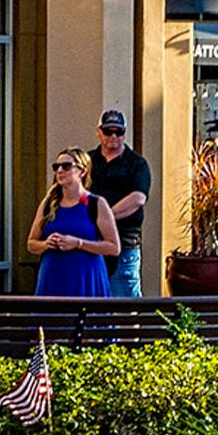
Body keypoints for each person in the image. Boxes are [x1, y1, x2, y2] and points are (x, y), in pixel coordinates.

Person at [27, 151, 119, 298]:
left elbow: (114, 248)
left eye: (66, 166)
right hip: (53, 277)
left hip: (86, 278)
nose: (60, 171)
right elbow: (31, 244)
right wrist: (46, 244)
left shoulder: (96, 204)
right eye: (56, 167)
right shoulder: (48, 204)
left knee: (89, 319)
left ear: (82, 171)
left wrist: (78, 243)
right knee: (50, 320)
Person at [85, 110, 152, 298]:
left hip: (124, 244)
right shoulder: (87, 162)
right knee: (90, 304)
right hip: (91, 243)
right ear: (98, 132)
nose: (113, 136)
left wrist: (103, 218)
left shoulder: (137, 163)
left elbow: (138, 198)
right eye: (108, 131)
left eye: (119, 132)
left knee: (124, 306)